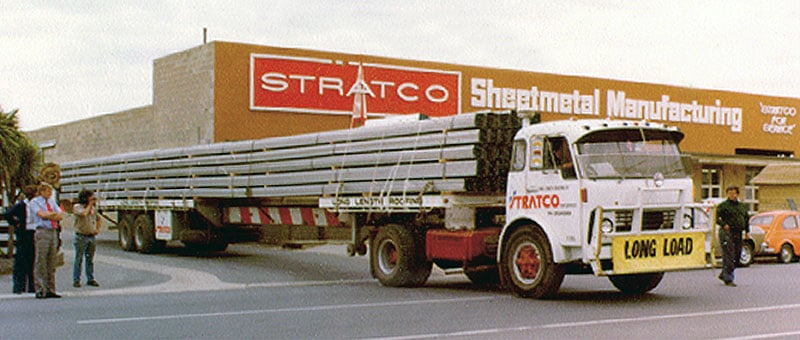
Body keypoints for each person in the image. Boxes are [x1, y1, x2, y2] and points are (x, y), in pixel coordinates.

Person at [28, 183, 64, 299]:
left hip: (52, 230)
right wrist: (51, 214)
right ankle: (40, 288)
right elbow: (41, 214)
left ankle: (50, 288)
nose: (50, 193)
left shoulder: (51, 202)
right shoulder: (35, 202)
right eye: (48, 191)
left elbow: (60, 215)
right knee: (41, 260)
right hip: (42, 231)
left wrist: (51, 215)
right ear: (42, 191)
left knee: (51, 261)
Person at [3, 185, 38, 294]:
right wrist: (16, 223)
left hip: (33, 232)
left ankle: (32, 286)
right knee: (21, 260)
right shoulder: (22, 205)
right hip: (24, 233)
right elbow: (7, 214)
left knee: (32, 260)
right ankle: (19, 286)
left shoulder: (37, 205)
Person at [716, 186, 750, 287]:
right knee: (728, 255)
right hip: (727, 232)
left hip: (738, 232)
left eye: (733, 193)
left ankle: (724, 274)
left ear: (737, 194)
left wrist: (747, 231)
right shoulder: (723, 206)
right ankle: (729, 278)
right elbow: (715, 217)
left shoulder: (742, 206)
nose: (731, 195)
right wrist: (723, 224)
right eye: (729, 193)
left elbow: (746, 219)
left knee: (737, 256)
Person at [72, 189, 101, 288]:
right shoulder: (77, 207)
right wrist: (89, 205)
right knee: (78, 258)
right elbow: (84, 214)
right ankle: (76, 279)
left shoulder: (93, 208)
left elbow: (98, 218)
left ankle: (90, 278)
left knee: (90, 259)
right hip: (81, 236)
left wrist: (97, 229)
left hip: (91, 235)